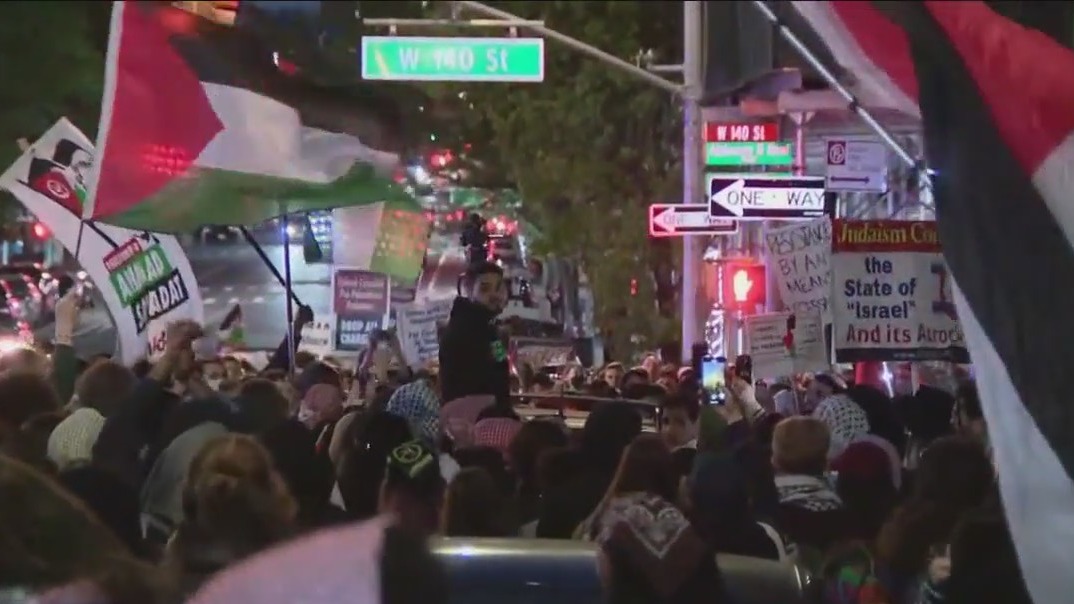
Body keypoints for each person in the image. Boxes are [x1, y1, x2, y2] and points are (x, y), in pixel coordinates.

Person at [438, 262, 510, 407]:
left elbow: (500, 364)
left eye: (499, 288)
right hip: (473, 421)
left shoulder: (489, 328)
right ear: (470, 291)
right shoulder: (467, 328)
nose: (494, 295)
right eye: (485, 289)